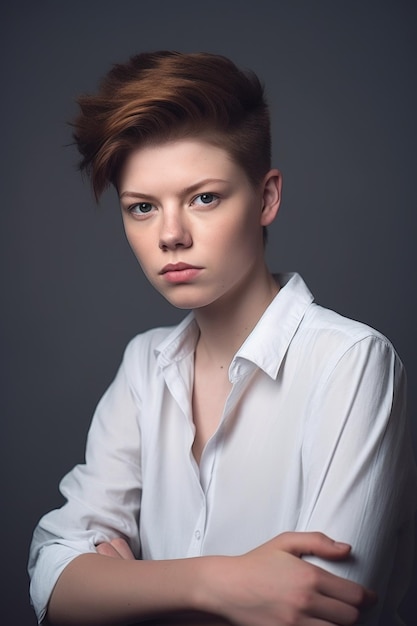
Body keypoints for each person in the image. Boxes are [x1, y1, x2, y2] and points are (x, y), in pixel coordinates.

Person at [28, 51, 416, 626]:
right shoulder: (143, 367)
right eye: (141, 207)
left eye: (203, 198)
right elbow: (52, 579)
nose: (170, 235)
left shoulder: (352, 364)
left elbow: (323, 608)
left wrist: (129, 587)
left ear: (266, 198)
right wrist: (217, 581)